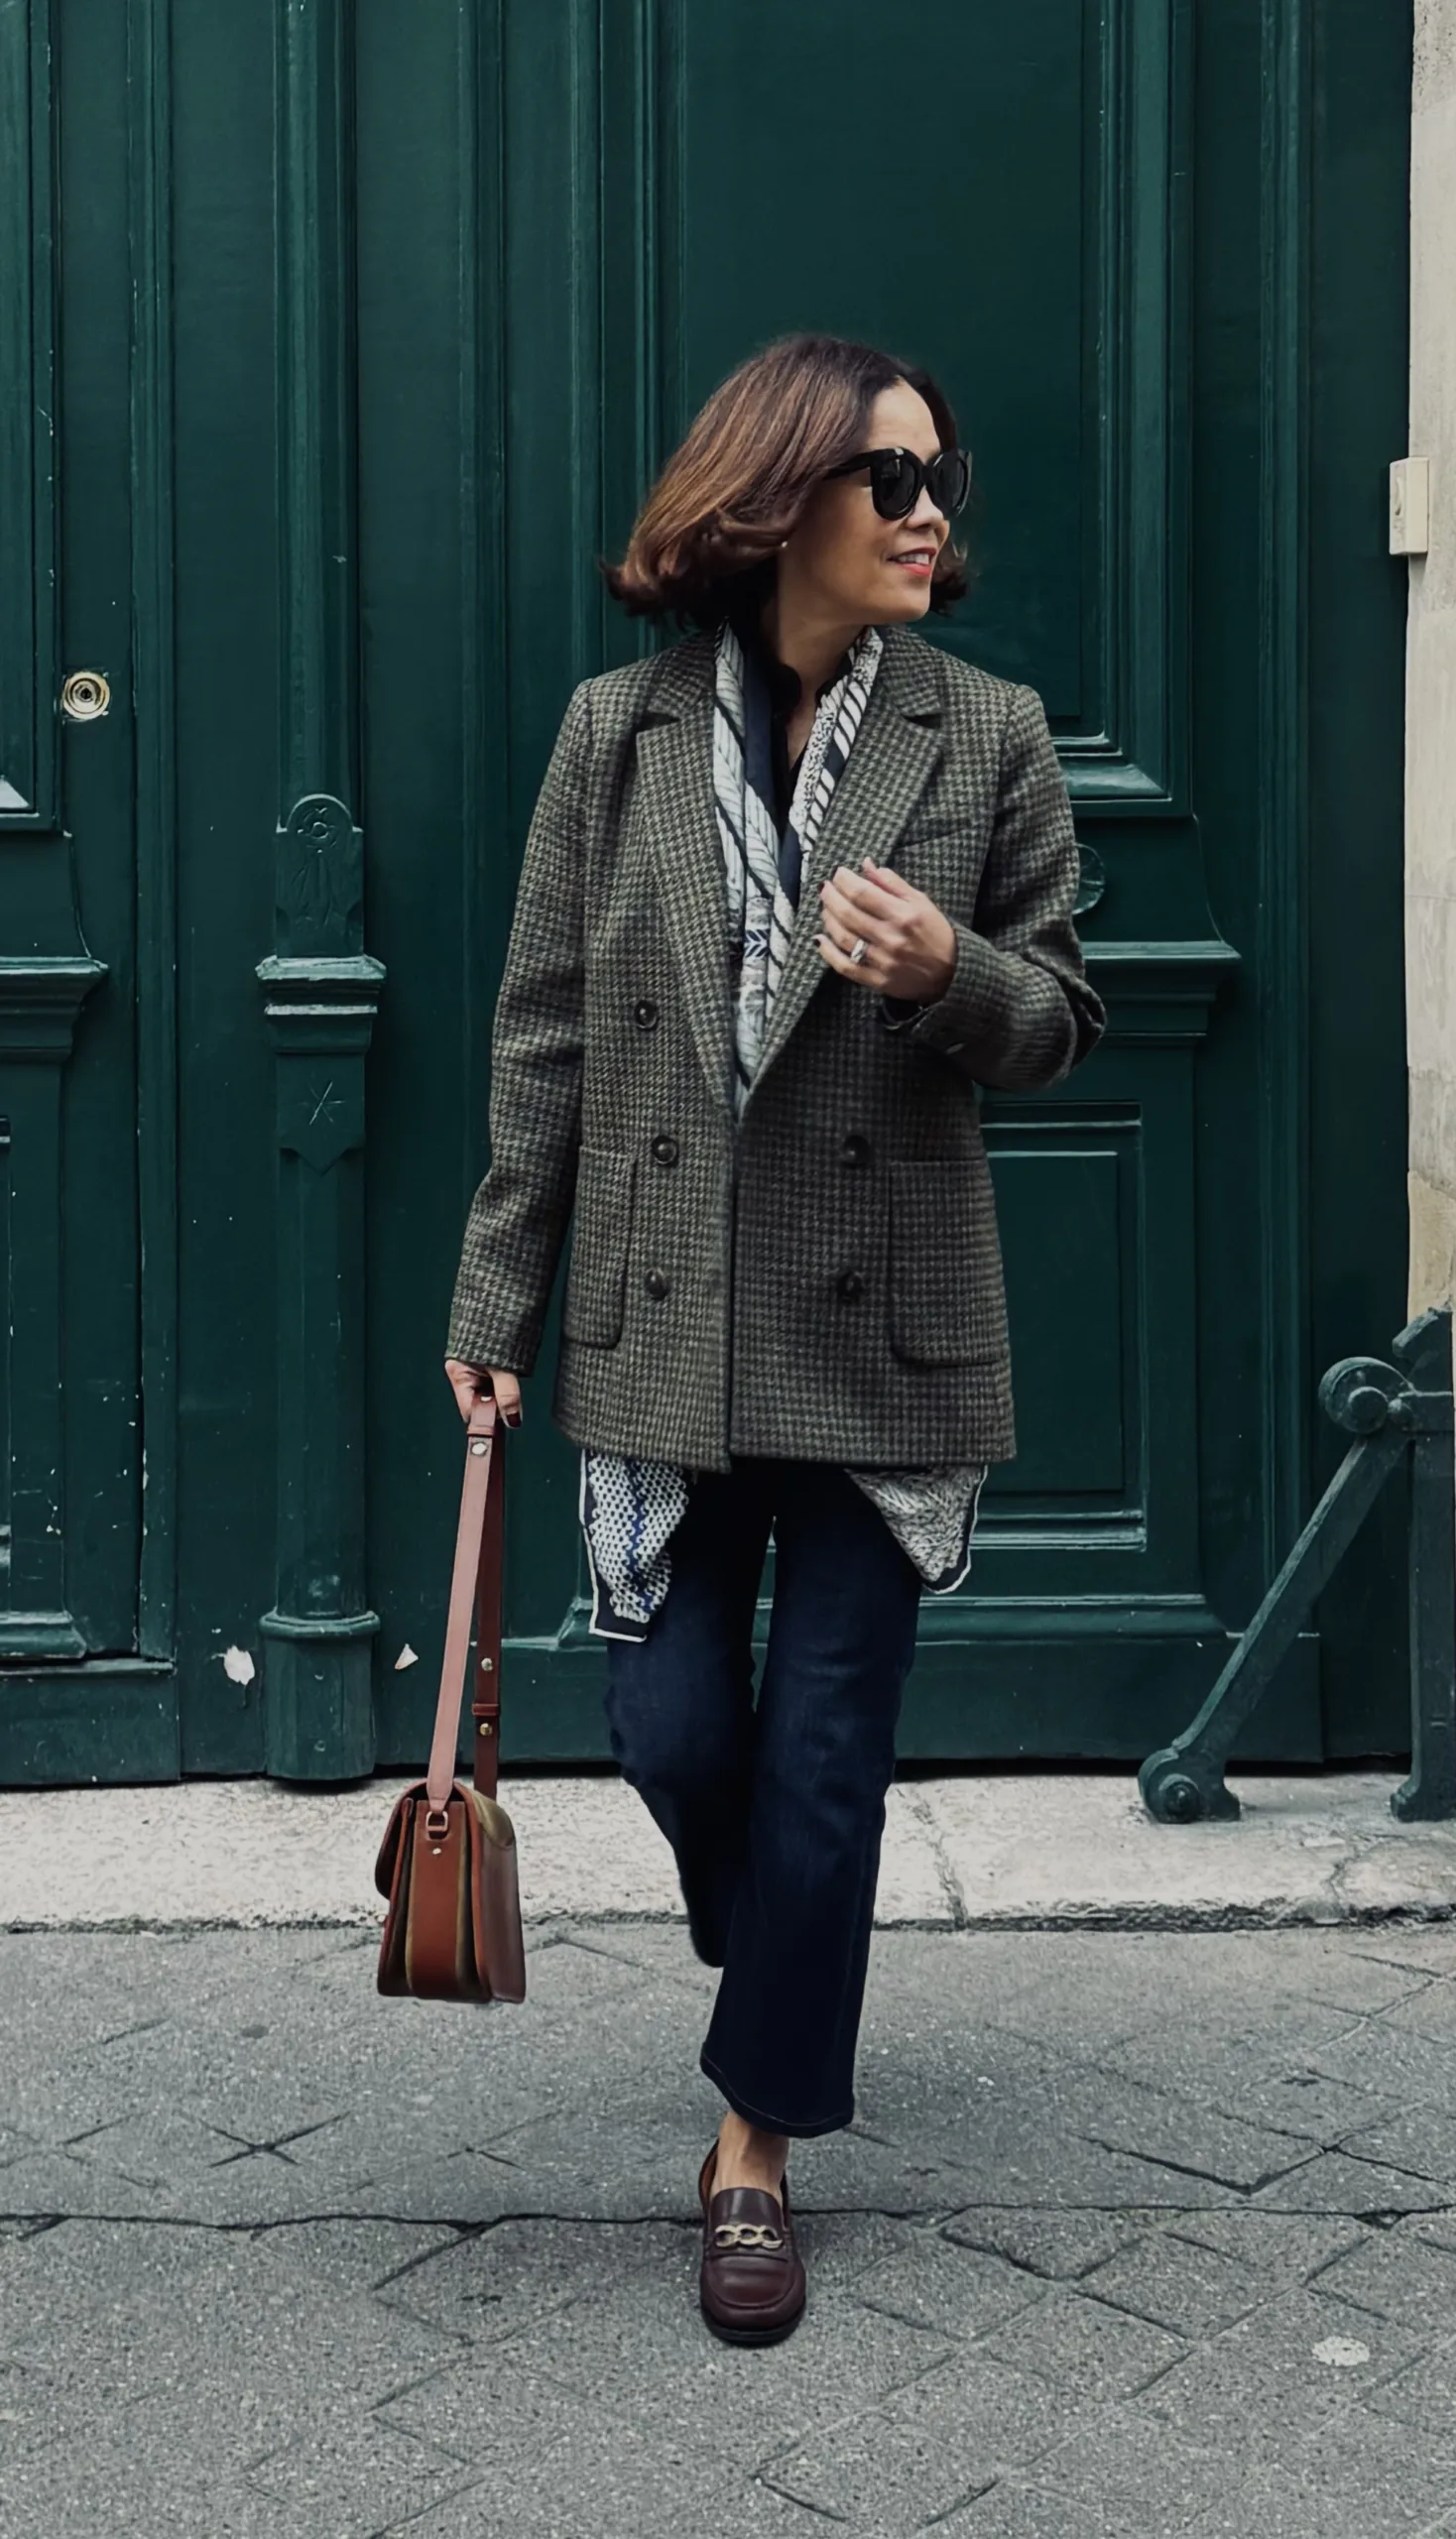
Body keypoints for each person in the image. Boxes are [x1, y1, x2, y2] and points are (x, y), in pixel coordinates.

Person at [443, 331, 1106, 2346]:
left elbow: (1063, 1012)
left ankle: (752, 2144)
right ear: (773, 500)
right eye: (882, 478)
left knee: (819, 1759)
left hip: (880, 1321)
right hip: (661, 1309)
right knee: (672, 1732)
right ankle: (788, 1956)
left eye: (935, 478)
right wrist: (496, 1290)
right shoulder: (614, 735)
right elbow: (546, 1025)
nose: (925, 514)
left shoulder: (981, 733)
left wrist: (953, 970)